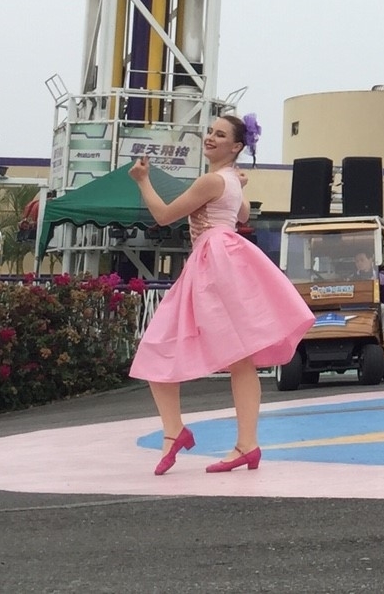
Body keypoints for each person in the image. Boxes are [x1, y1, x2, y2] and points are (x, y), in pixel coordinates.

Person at [128, 113, 313, 474]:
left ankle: (181, 432)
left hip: (213, 264)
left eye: (220, 134)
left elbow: (164, 216)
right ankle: (242, 443)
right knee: (238, 357)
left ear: (237, 146)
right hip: (223, 261)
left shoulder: (211, 181)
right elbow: (242, 211)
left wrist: (143, 180)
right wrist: (239, 181)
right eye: (210, 132)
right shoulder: (230, 181)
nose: (210, 137)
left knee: (162, 347)